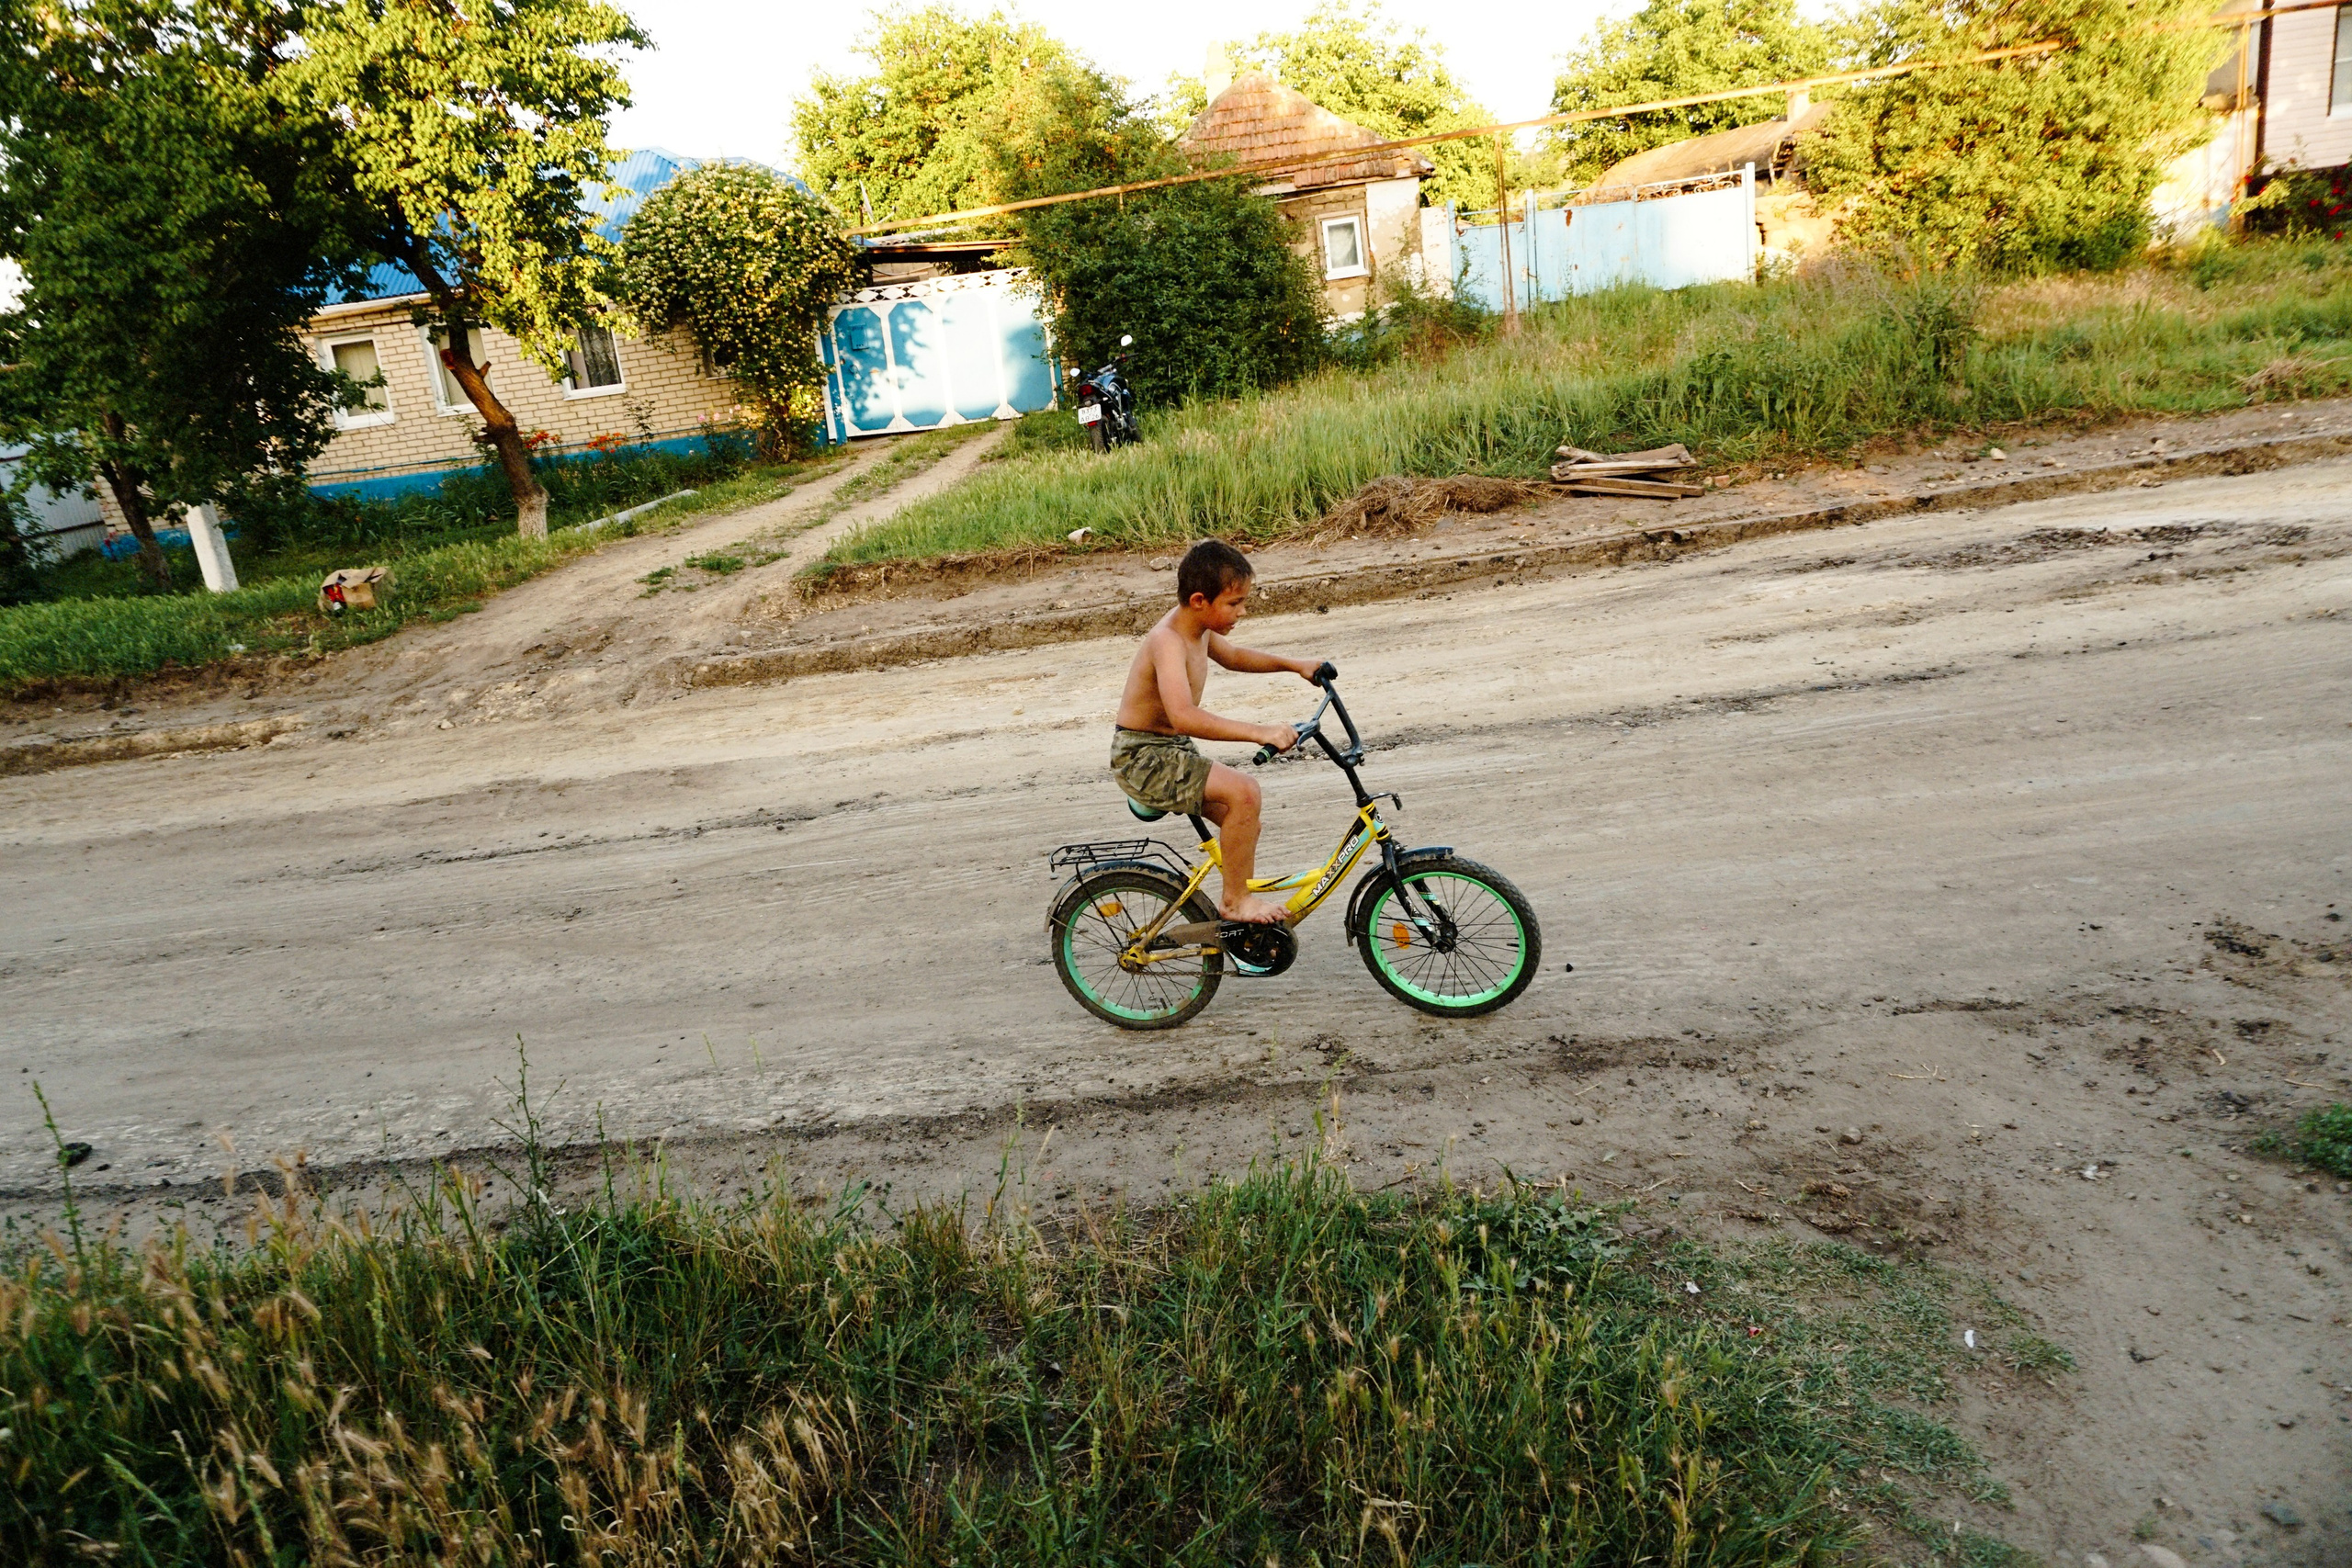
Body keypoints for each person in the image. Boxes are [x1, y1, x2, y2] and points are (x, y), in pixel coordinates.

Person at [1112, 538, 1324, 925]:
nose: (1242, 611)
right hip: (1144, 757)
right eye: (1233, 603)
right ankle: (1235, 901)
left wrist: (1297, 665)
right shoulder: (1168, 641)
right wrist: (1259, 731)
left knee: (1243, 817)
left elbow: (1236, 657)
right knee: (1245, 792)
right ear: (1198, 601)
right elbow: (1184, 717)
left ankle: (1236, 917)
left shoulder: (1199, 629)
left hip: (1169, 749)